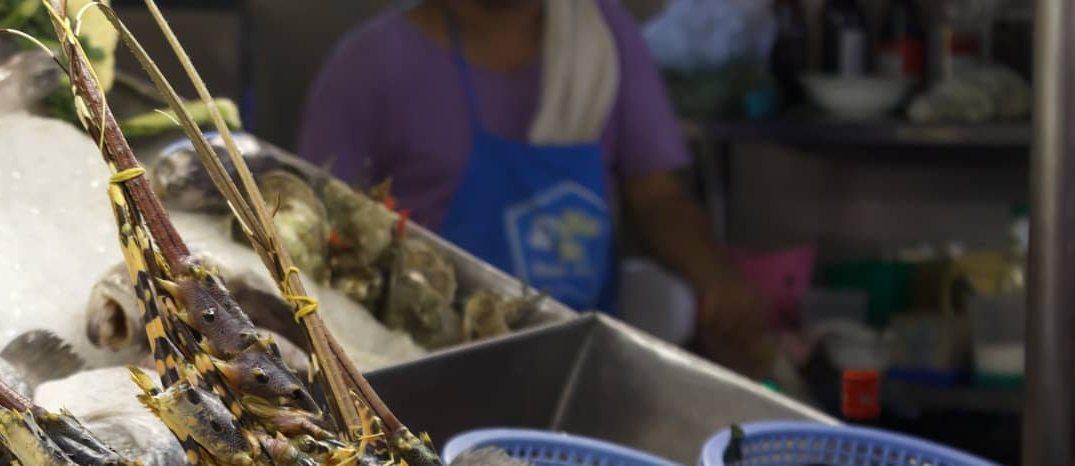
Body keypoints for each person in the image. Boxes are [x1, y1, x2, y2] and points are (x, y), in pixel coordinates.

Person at [297, 0, 769, 375]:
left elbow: (657, 194)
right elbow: (320, 238)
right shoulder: (368, 67)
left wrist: (715, 276)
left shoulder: (601, 40)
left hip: (577, 365)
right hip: (425, 366)